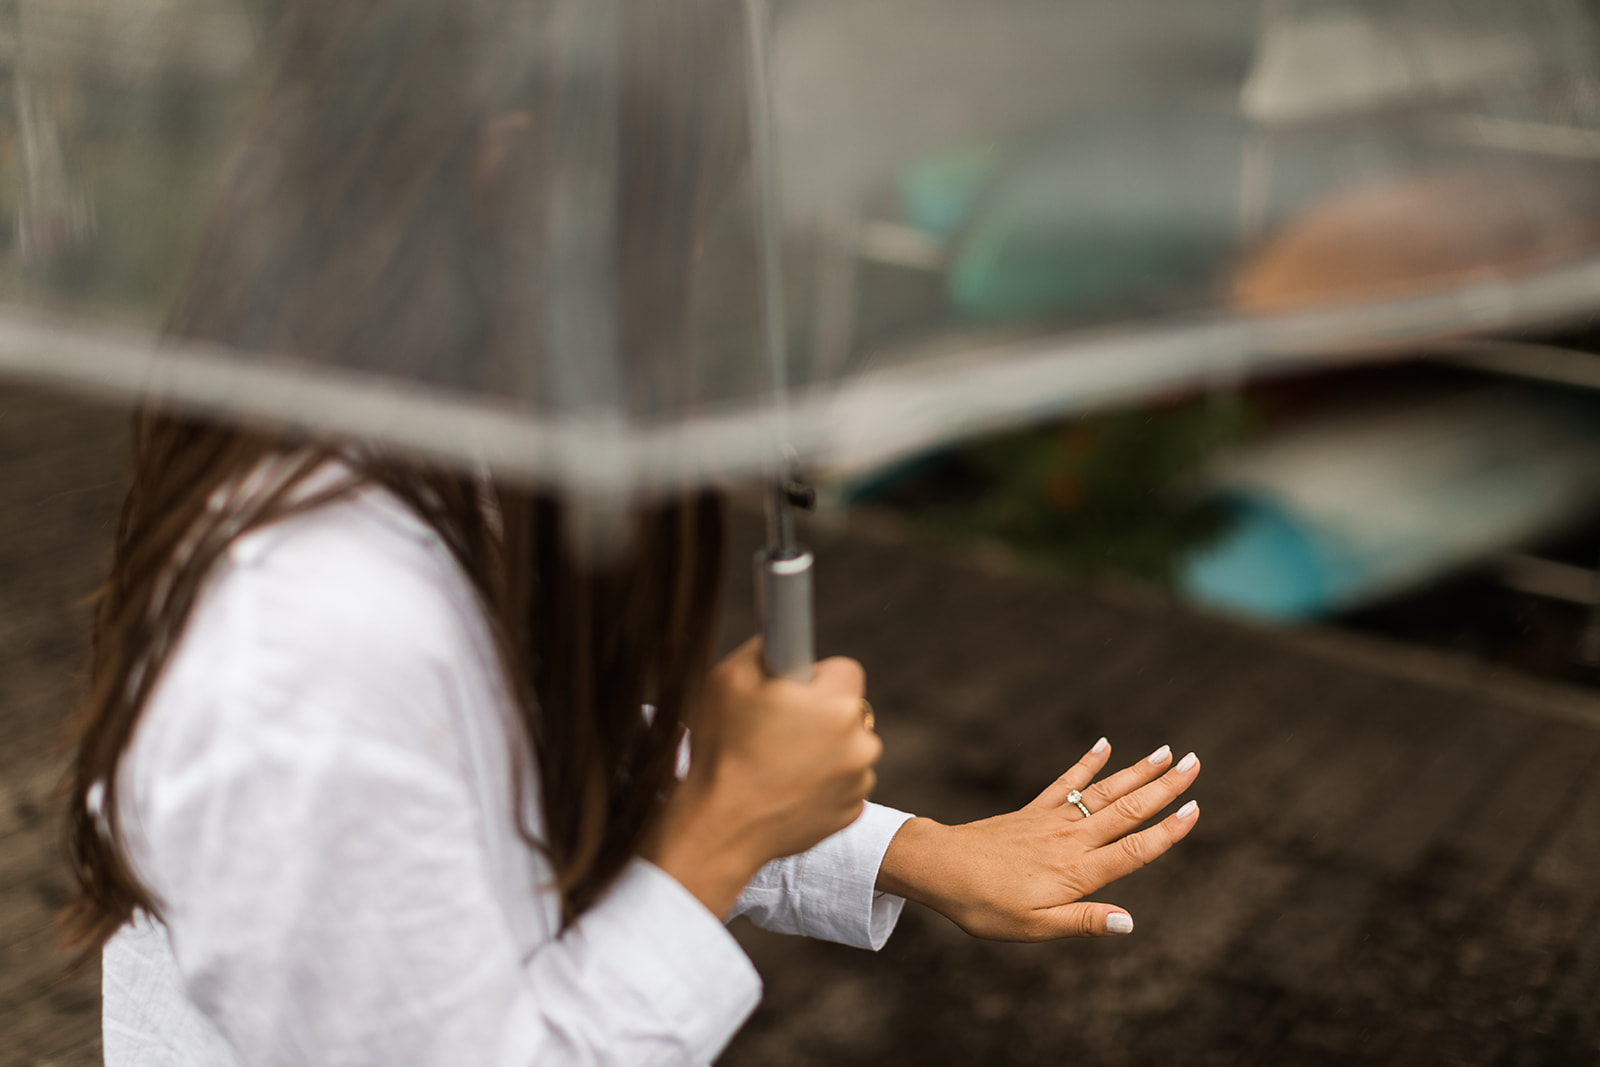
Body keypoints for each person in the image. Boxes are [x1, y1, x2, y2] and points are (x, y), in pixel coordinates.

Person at [62, 1, 1202, 1063]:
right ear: (512, 177)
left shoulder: (424, 459)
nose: (692, 260)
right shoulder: (320, 631)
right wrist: (715, 838)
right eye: (681, 209)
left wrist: (902, 849)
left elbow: (525, 747)